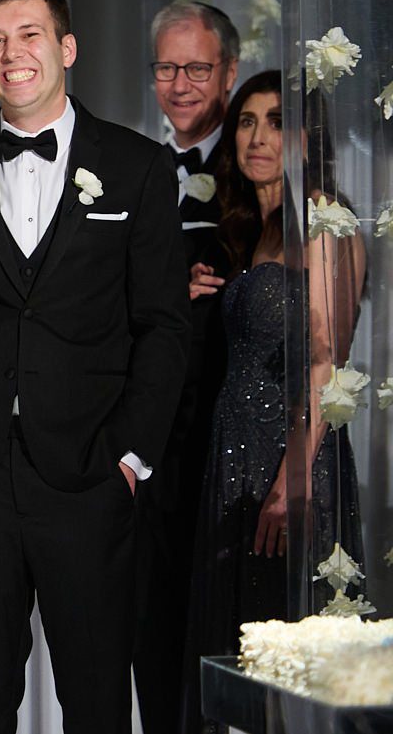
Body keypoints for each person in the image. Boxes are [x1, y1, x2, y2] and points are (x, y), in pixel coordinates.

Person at [0, 0, 189, 734]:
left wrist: (130, 457)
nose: (13, 54)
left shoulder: (137, 166)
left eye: (29, 35)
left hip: (92, 477)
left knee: (98, 704)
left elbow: (165, 325)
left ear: (66, 48)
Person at [180, 71, 365, 734]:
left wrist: (290, 480)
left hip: (292, 463)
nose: (259, 135)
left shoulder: (326, 222)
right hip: (234, 464)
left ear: (305, 137)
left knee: (292, 672)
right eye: (248, 120)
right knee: (244, 678)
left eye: (277, 120)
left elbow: (325, 360)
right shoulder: (246, 232)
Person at [135, 1, 239, 734]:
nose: (180, 84)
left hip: (235, 427)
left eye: (196, 67)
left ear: (228, 72)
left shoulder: (257, 163)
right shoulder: (127, 169)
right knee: (155, 620)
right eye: (166, 68)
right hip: (154, 436)